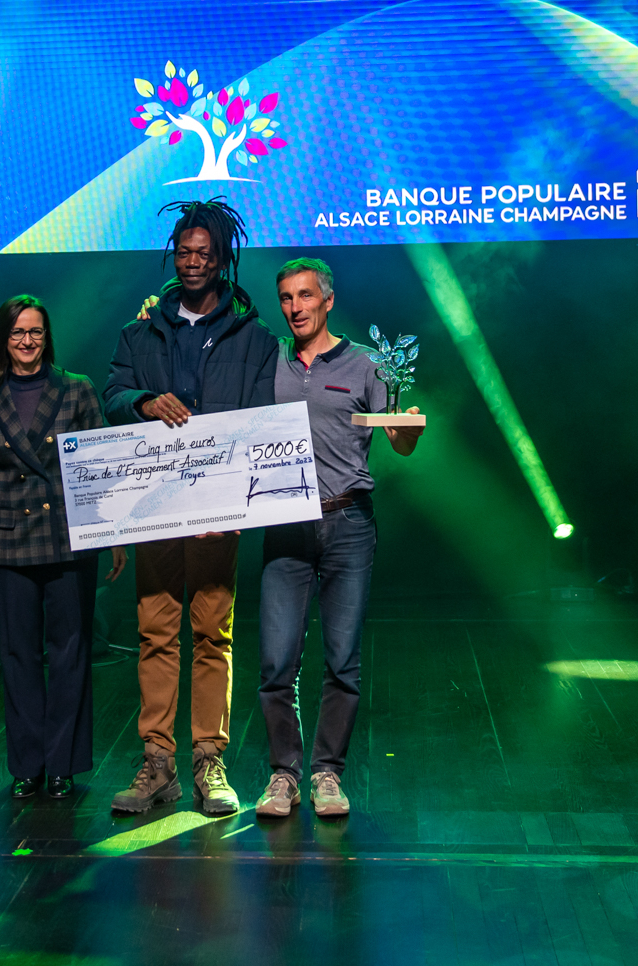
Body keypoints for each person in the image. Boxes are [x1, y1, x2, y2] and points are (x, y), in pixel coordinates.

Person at [103, 198, 279, 815]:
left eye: (205, 252)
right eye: (184, 251)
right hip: (154, 506)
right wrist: (144, 402)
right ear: (173, 256)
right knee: (155, 632)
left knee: (212, 634)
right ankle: (158, 764)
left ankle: (209, 762)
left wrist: (224, 505)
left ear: (223, 258)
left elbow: (264, 420)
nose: (193, 261)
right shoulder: (139, 332)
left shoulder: (255, 337)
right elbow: (113, 395)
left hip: (219, 512)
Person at [254, 258, 423, 819]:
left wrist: (404, 429)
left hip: (348, 523)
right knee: (276, 661)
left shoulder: (366, 364)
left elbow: (399, 442)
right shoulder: (269, 359)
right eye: (286, 297)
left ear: (328, 300)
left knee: (342, 660)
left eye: (305, 295)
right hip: (284, 524)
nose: (295, 307)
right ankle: (284, 775)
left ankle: (327, 773)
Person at [0, 295, 123, 802]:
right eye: (17, 333)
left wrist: (113, 532)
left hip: (70, 535)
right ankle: (27, 765)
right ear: (3, 339)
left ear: (46, 337)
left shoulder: (77, 389)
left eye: (35, 331)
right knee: (17, 654)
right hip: (11, 538)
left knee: (70, 651)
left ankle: (63, 764)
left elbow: (101, 464)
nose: (27, 341)